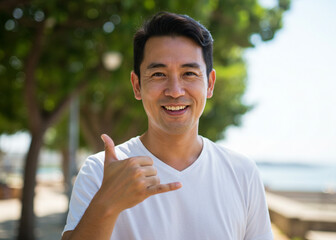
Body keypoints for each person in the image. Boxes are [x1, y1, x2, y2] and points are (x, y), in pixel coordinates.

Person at [61, 12, 273, 240]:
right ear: (137, 85)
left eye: (189, 74)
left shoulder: (242, 173)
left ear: (210, 84)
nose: (174, 91)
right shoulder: (99, 172)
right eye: (159, 74)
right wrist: (107, 204)